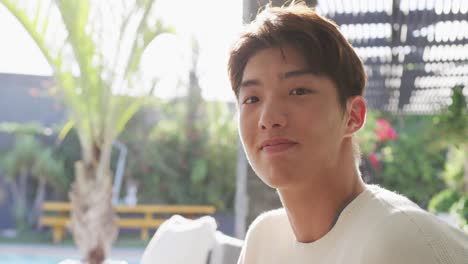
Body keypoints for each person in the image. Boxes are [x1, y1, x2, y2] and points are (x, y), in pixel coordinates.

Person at [227, 2, 468, 264]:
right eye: (252, 99)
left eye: (298, 91)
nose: (268, 119)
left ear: (353, 116)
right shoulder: (265, 239)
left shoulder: (399, 240)